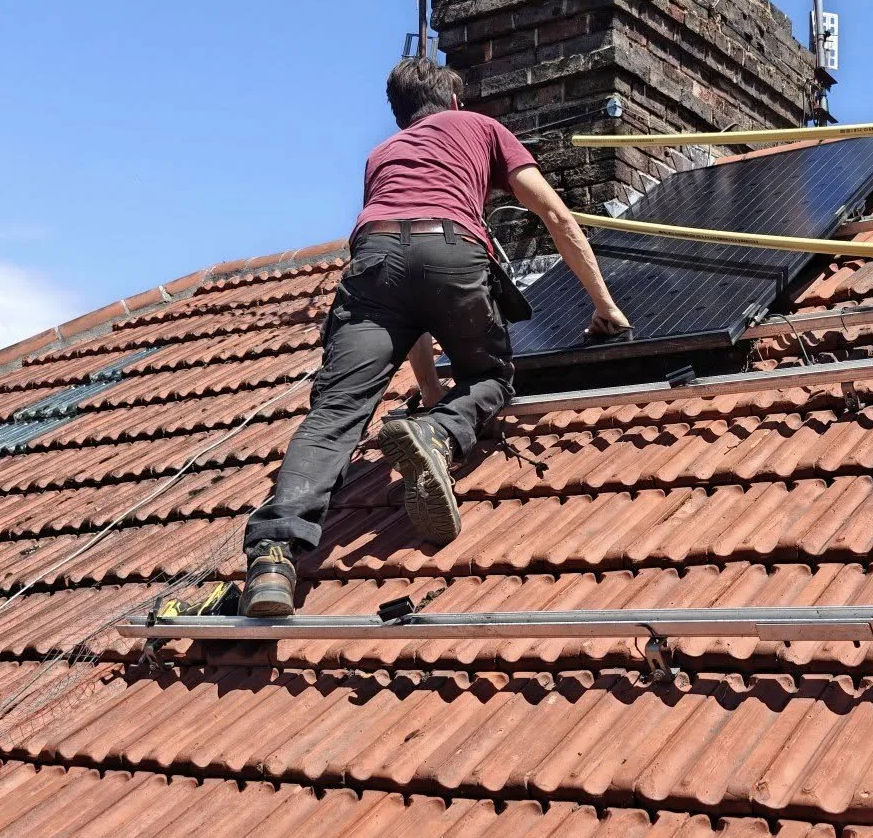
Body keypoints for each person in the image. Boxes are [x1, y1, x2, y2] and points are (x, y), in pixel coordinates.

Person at [240, 55, 630, 616]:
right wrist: (604, 304)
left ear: (401, 117)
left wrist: (426, 391)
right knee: (491, 375)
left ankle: (273, 561)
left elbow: (408, 306)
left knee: (334, 414)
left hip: (372, 261)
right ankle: (442, 436)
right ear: (453, 101)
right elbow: (555, 215)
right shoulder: (483, 128)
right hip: (451, 249)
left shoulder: (383, 155)